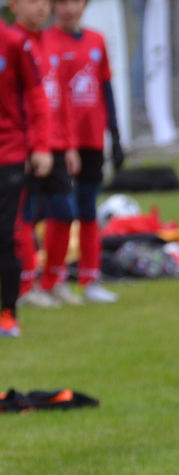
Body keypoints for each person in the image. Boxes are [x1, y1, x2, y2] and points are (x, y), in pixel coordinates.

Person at [47, 0, 124, 304]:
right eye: (62, 3)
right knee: (62, 211)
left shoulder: (97, 40)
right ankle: (53, 280)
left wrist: (115, 135)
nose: (69, 9)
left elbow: (106, 88)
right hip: (59, 142)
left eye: (75, 2)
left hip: (92, 140)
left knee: (89, 208)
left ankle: (91, 279)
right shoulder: (47, 42)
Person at [11, 0, 78, 308]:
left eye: (44, 1)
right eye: (32, 1)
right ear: (13, 5)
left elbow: (61, 98)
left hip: (57, 145)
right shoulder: (12, 43)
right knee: (25, 215)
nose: (40, 7)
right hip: (27, 147)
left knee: (64, 211)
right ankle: (26, 285)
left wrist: (71, 144)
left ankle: (53, 281)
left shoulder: (53, 42)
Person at [0, 8, 52, 338]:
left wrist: (41, 146)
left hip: (9, 153)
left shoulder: (13, 42)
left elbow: (36, 97)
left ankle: (8, 314)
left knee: (5, 235)